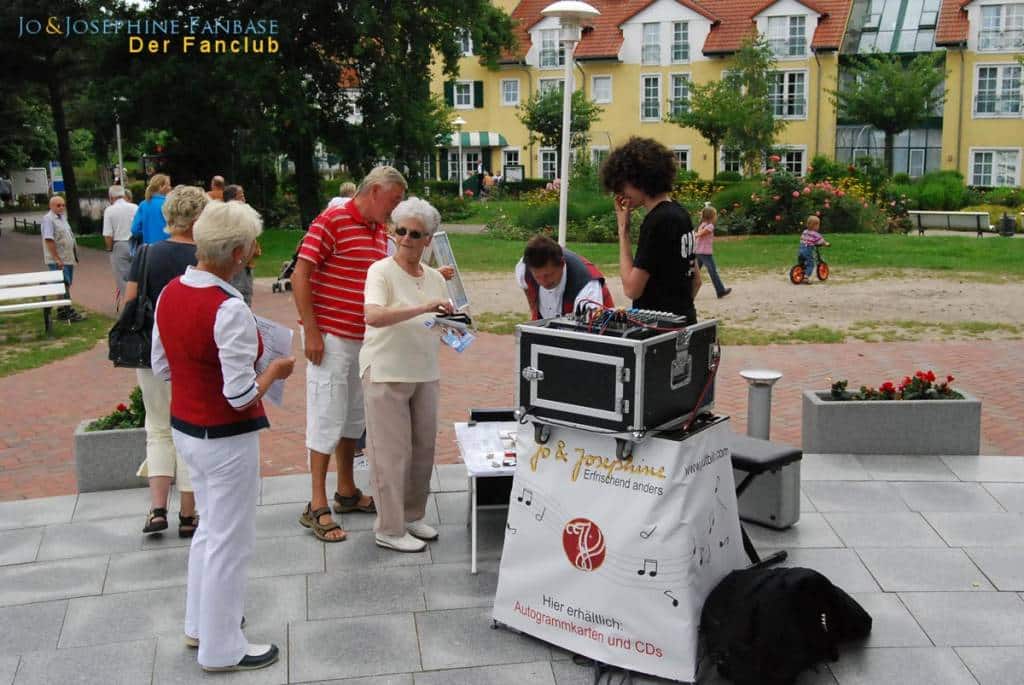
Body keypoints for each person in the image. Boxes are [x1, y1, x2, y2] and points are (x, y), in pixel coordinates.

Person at [152, 200, 293, 673]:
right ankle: (222, 646)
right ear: (236, 252)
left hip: (187, 428)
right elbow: (239, 396)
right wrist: (274, 370)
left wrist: (196, 384)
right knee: (231, 542)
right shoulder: (227, 306)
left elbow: (161, 365)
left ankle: (202, 624)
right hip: (226, 436)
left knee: (210, 532)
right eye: (252, 246)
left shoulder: (172, 290)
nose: (255, 252)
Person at [291, 166, 407, 542]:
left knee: (351, 420)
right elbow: (301, 274)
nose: (393, 212)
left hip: (364, 341)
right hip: (331, 338)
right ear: (374, 191)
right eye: (392, 202)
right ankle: (316, 504)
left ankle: (345, 490)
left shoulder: (377, 231)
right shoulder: (333, 220)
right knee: (325, 417)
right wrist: (311, 330)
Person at [361, 197, 451, 552]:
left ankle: (413, 515)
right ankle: (389, 527)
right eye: (401, 231)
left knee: (423, 448)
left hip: (425, 370)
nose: (408, 239)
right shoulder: (380, 271)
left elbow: (438, 324)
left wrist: (454, 326)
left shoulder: (433, 277)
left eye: (417, 234)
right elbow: (374, 315)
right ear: (392, 232)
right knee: (390, 452)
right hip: (385, 370)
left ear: (429, 239)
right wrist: (425, 307)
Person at [125, 185, 209, 539]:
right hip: (193, 354)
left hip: (149, 351)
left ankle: (157, 508)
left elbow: (129, 303)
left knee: (157, 427)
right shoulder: (205, 255)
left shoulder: (145, 254)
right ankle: (189, 515)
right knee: (189, 431)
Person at [601, 137, 701, 323]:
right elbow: (696, 280)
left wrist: (623, 231)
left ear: (637, 181)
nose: (620, 193)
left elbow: (632, 289)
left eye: (622, 186)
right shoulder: (681, 214)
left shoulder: (656, 221)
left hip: (656, 327)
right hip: (685, 319)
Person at [515, 235, 613, 320]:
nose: (543, 282)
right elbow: (526, 287)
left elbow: (589, 333)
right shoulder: (524, 267)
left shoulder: (587, 286)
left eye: (548, 275)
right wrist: (535, 315)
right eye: (537, 277)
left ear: (562, 264)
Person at [41, 195, 86, 322]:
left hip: (68, 258)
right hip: (59, 259)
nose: (61, 207)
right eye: (58, 205)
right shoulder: (48, 219)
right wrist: (56, 259)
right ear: (51, 206)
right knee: (63, 283)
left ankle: (61, 310)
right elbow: (49, 240)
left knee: (66, 283)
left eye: (63, 205)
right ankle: (68, 311)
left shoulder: (62, 218)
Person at [102, 184, 139, 306]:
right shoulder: (135, 207)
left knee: (123, 278)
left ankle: (129, 305)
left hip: (119, 244)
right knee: (137, 275)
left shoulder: (109, 210)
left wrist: (109, 249)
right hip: (135, 243)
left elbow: (108, 234)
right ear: (123, 195)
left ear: (111, 197)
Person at [694, 206, 731, 299]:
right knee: (713, 271)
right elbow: (702, 233)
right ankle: (720, 291)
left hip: (698, 251)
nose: (716, 216)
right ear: (711, 216)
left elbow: (700, 232)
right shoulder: (709, 226)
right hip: (704, 253)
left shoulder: (702, 224)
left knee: (694, 272)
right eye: (715, 215)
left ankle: (686, 291)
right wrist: (695, 235)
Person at [131, 173, 172, 245]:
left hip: (149, 248)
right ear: (161, 187)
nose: (170, 187)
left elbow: (134, 229)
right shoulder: (170, 204)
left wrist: (146, 232)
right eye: (168, 185)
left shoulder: (143, 204)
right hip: (168, 246)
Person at [799, 215, 830, 284]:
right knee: (811, 264)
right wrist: (826, 244)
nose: (818, 227)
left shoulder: (805, 232)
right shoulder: (816, 234)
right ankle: (806, 277)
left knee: (802, 263)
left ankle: (800, 272)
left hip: (801, 249)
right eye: (818, 225)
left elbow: (802, 239)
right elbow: (822, 241)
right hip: (808, 250)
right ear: (815, 226)